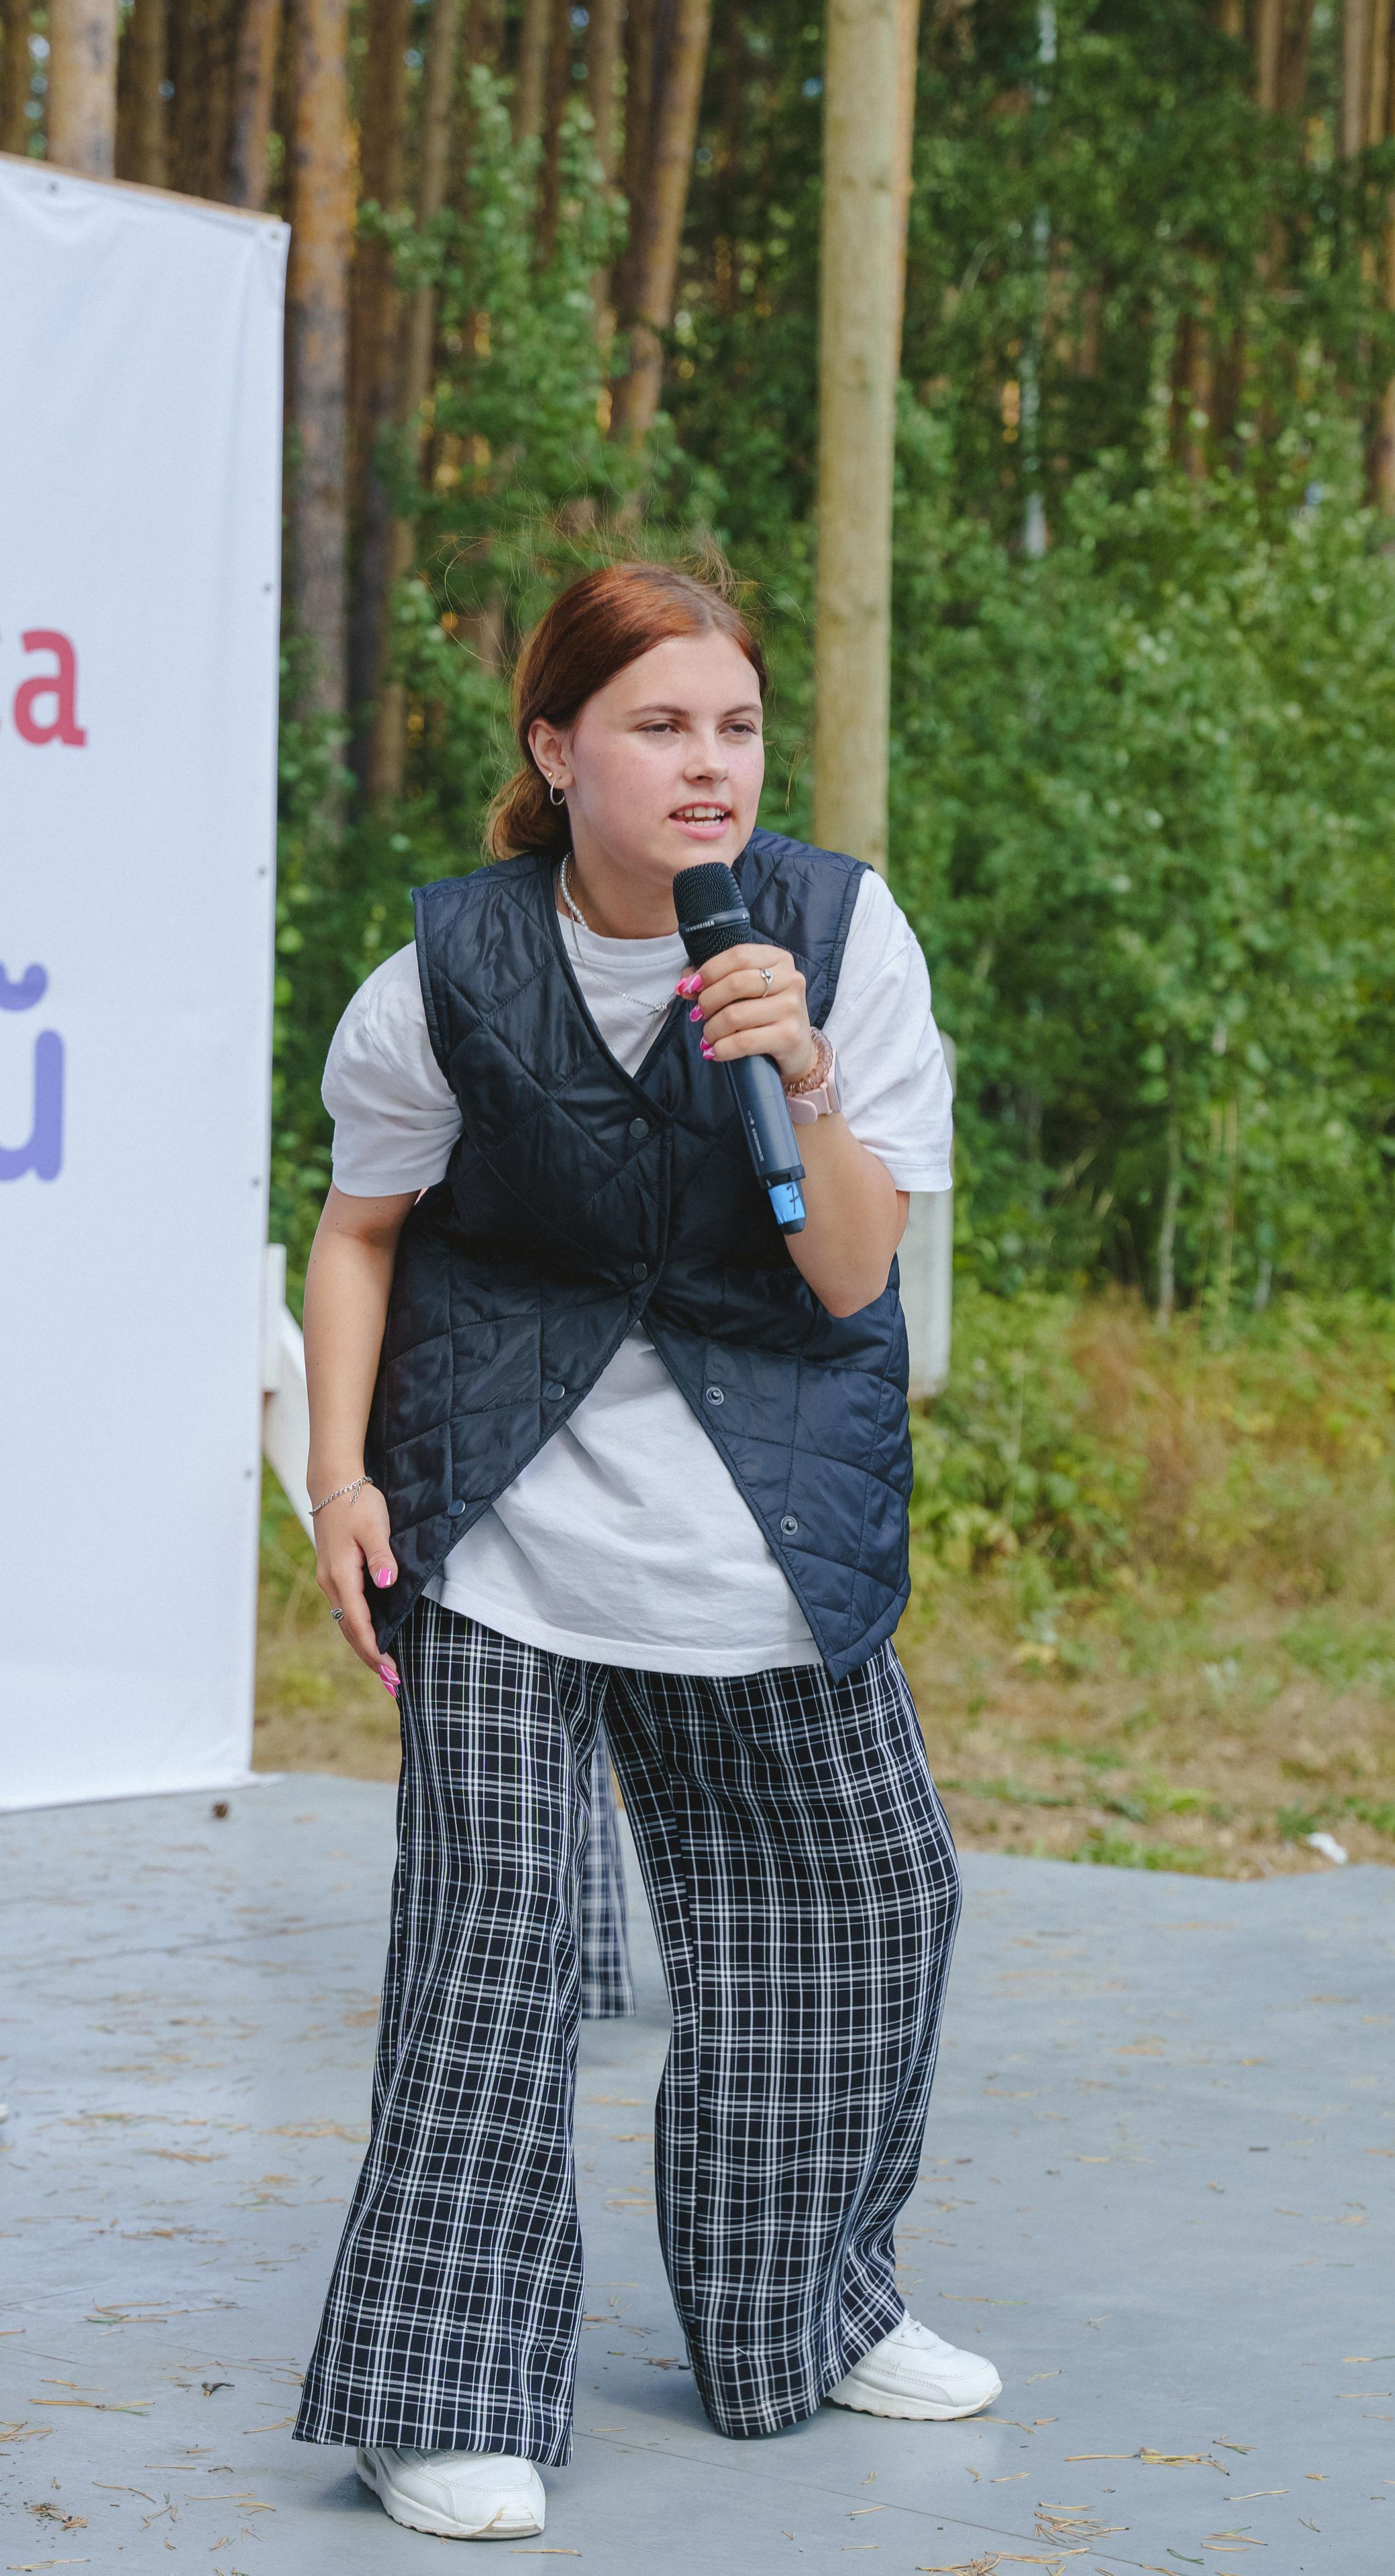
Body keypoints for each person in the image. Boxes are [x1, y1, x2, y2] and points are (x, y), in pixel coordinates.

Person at [289, 560, 996, 2543]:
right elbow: (359, 1232)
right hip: (502, 1514)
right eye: (661, 726)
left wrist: (801, 1070)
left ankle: (805, 2305)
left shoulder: (843, 944)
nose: (711, 768)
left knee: (869, 1914)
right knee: (493, 1956)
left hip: (765, 1513)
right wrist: (338, 1479)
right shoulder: (441, 971)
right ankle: (444, 2388)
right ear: (555, 749)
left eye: (739, 728)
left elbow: (857, 1267)